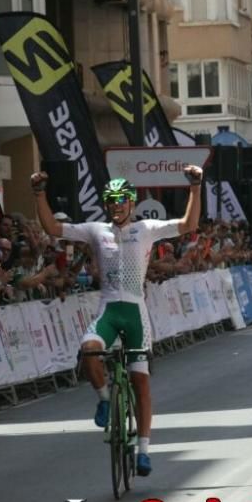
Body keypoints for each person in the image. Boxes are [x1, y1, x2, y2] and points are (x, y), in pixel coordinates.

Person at [31, 167, 203, 477]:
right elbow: (53, 228)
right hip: (109, 309)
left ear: (131, 203)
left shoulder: (147, 228)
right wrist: (39, 194)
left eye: (122, 199)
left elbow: (189, 224)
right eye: (111, 200)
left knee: (141, 383)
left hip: (136, 313)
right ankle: (105, 399)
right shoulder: (96, 230)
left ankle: (144, 451)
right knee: (88, 350)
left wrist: (195, 187)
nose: (116, 205)